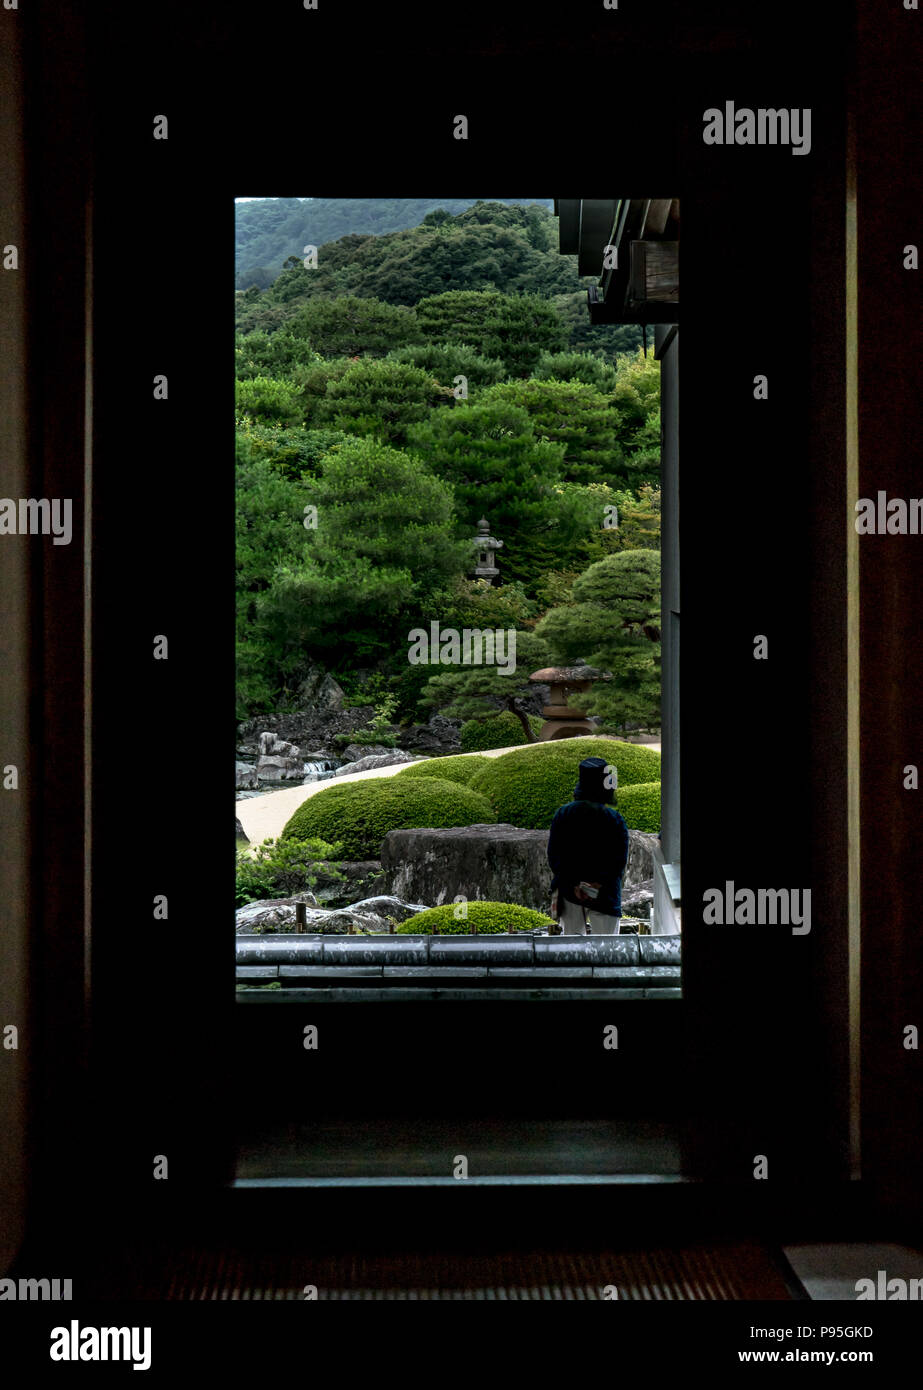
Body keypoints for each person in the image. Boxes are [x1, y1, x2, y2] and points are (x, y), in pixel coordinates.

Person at [547, 755, 630, 935]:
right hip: (605, 892)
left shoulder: (563, 814)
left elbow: (554, 857)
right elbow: (618, 861)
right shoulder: (614, 820)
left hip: (569, 890)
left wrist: (575, 884)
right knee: (608, 950)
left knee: (572, 949)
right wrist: (596, 883)